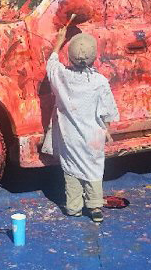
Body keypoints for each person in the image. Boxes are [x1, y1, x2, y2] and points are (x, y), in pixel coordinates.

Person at [47, 21, 119, 223]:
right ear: (94, 56)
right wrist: (107, 128)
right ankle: (95, 208)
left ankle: (73, 207)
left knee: (71, 169)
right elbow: (107, 111)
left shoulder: (62, 77)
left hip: (69, 137)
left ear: (69, 55)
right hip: (93, 137)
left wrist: (59, 42)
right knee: (93, 169)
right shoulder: (99, 82)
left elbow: (51, 65)